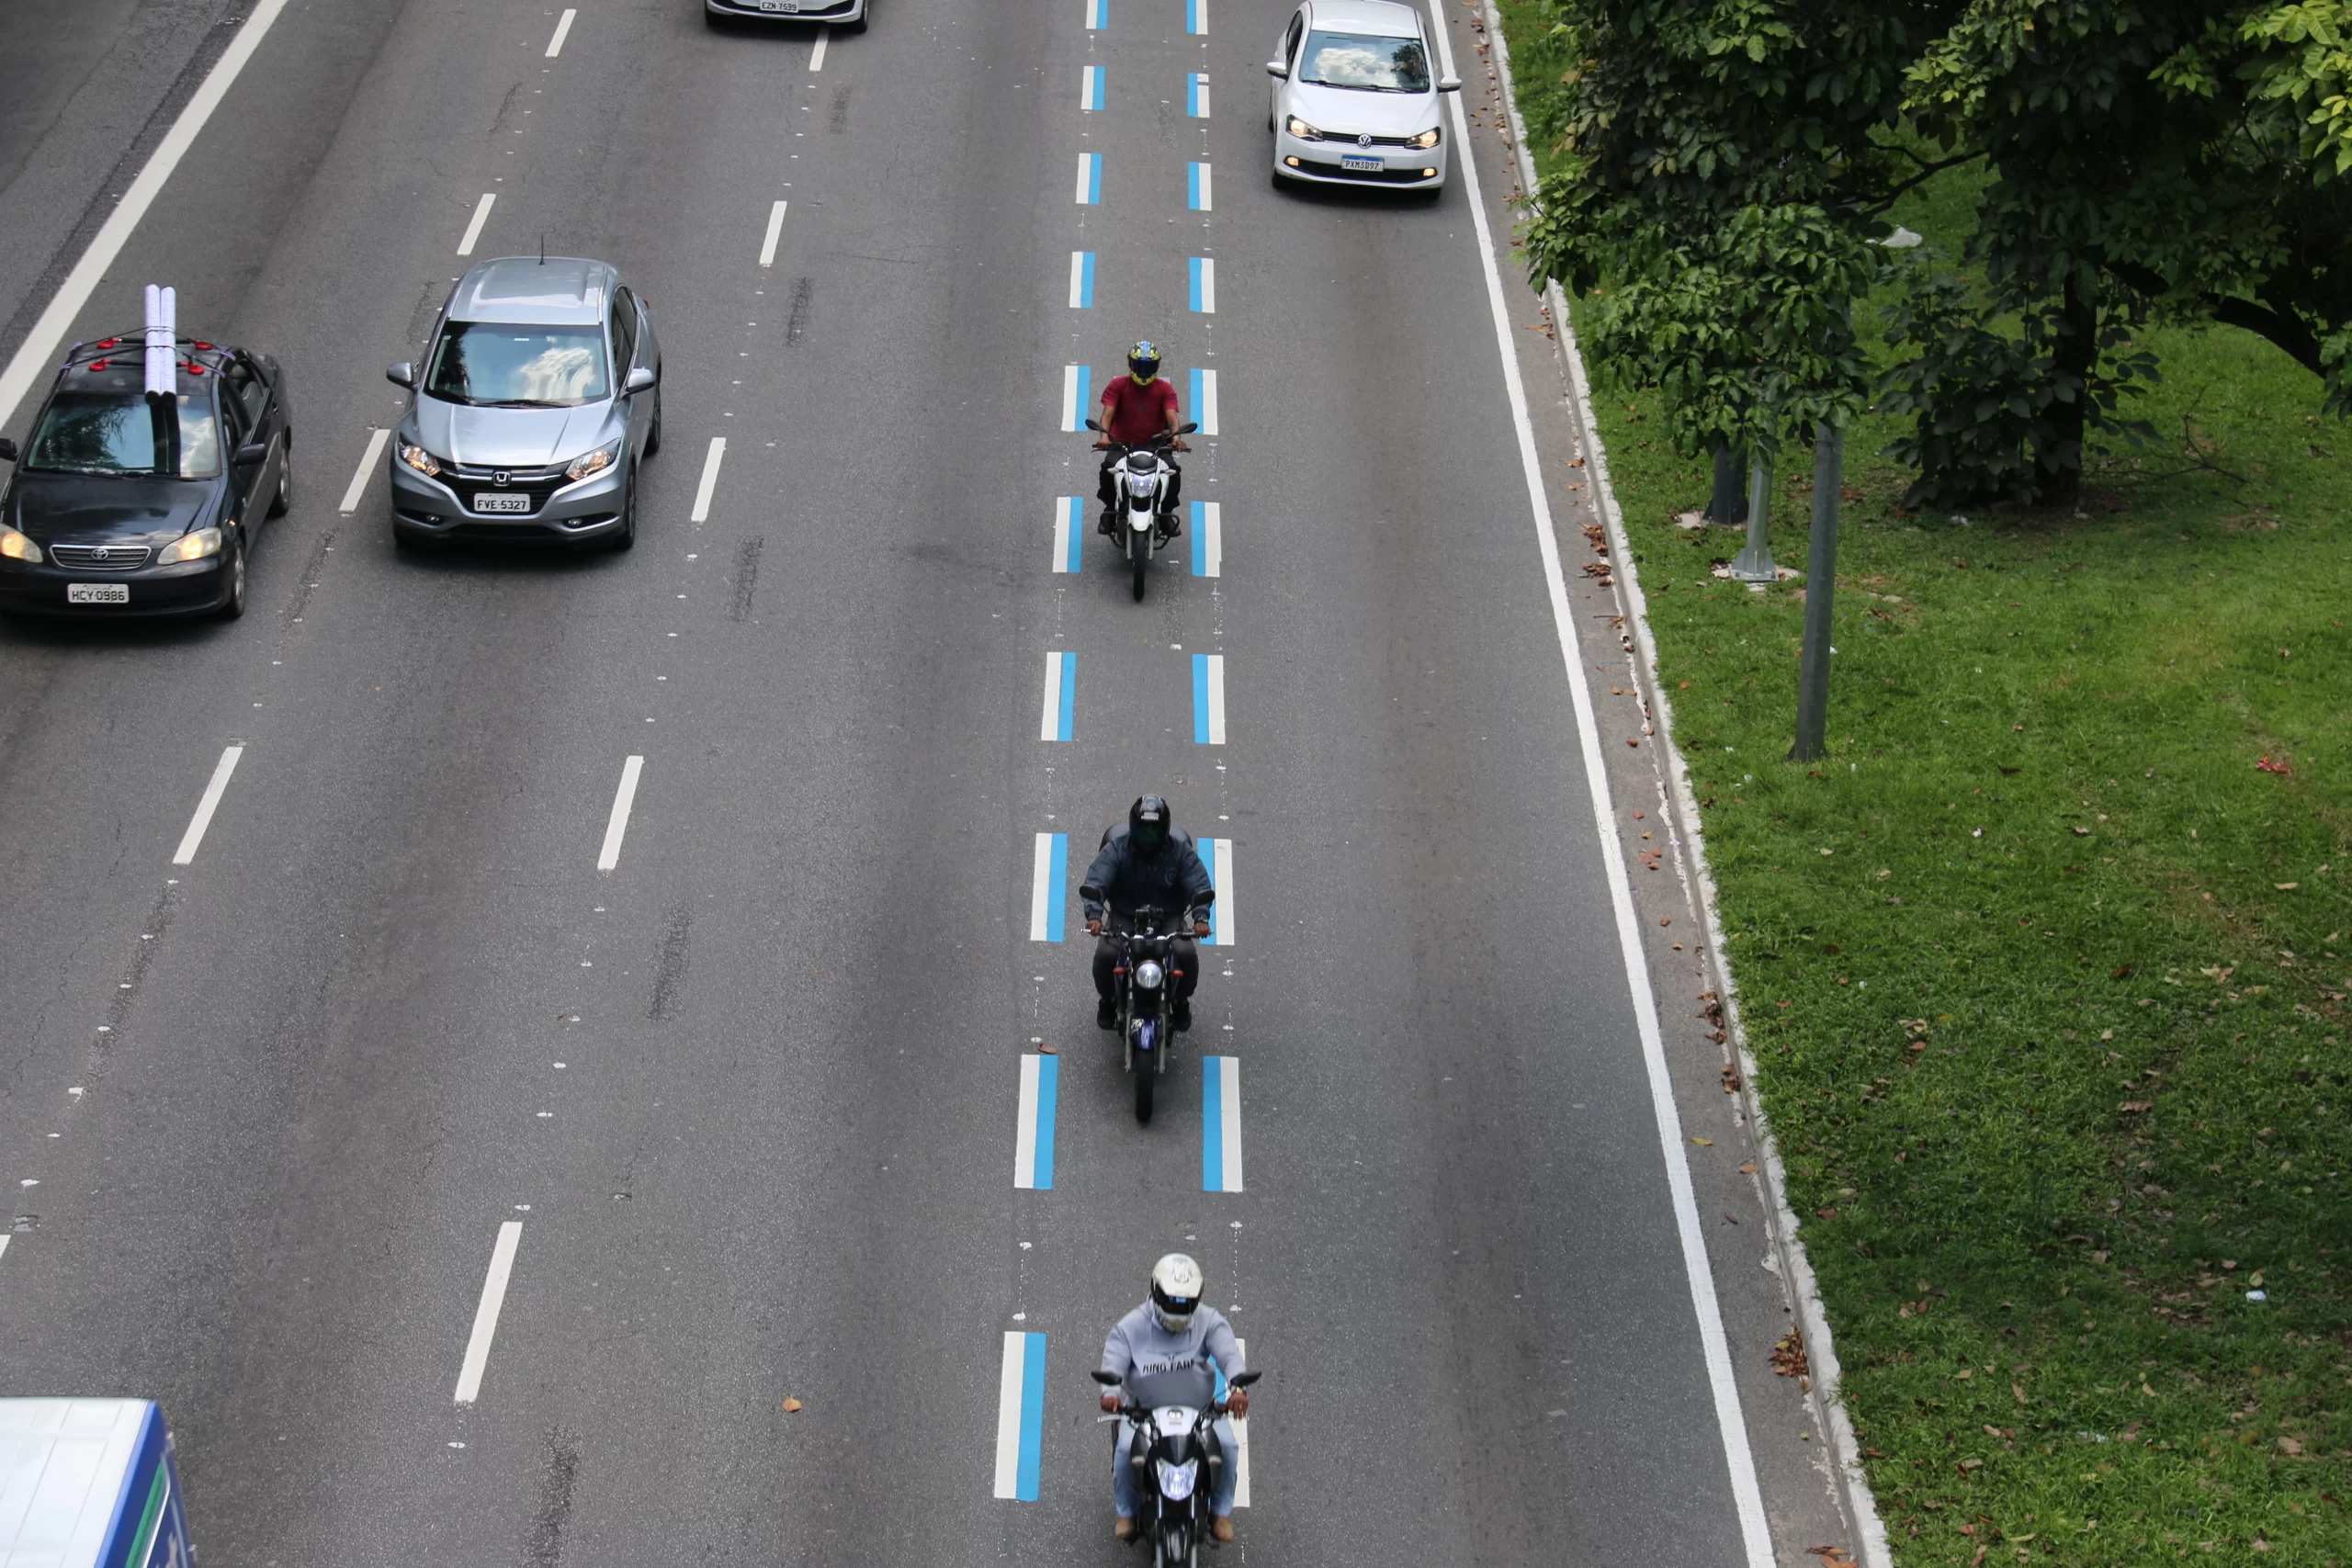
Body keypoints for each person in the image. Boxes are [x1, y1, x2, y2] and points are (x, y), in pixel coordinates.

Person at [1099, 1253, 1249, 1544]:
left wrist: (1239, 1390)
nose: (1179, 1310)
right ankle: (1126, 1513)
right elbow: (1112, 1366)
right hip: (1144, 1414)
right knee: (1124, 1452)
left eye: (1187, 1303)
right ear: (1155, 1292)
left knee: (1228, 1446)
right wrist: (1110, 1395)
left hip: (1200, 1412)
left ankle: (1220, 1513)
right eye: (1171, 1302)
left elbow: (1230, 1356)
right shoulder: (1129, 1327)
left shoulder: (1210, 1322)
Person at [1080, 795, 1215, 1032]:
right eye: (1144, 831)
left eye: (1154, 832)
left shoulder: (1179, 852)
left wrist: (1200, 918)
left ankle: (1181, 1001)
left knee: (1186, 954)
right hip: (1125, 916)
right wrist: (1094, 916)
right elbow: (1097, 879)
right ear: (1134, 827)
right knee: (1105, 956)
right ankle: (1108, 1001)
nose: (1149, 838)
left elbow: (1198, 883)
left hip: (1169, 917)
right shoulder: (1117, 849)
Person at [1094, 340, 1190, 535]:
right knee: (1107, 470)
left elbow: (1172, 418)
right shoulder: (1117, 385)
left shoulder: (1165, 390)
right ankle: (1110, 511)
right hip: (1122, 446)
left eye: (1149, 367)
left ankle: (1166, 515)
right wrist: (1104, 437)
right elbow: (1107, 415)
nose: (1144, 371)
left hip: (1155, 447)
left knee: (1173, 472)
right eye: (1140, 366)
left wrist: (1176, 438)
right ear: (1131, 365)